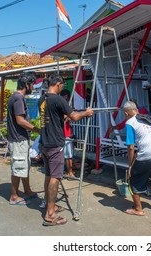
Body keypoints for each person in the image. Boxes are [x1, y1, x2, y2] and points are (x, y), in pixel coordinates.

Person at [38, 74, 93, 226]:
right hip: (55, 144)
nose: (62, 87)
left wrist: (63, 118)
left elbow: (52, 117)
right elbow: (75, 117)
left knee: (49, 175)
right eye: (62, 85)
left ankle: (49, 204)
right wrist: (86, 113)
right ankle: (50, 214)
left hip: (45, 142)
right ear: (57, 84)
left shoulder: (42, 99)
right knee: (55, 177)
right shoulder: (58, 99)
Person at [123, 100, 151, 216]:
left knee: (133, 180)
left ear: (126, 113)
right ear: (136, 110)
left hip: (148, 155)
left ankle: (138, 209)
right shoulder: (149, 118)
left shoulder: (130, 123)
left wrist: (130, 166)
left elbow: (131, 147)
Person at [7, 73, 40, 206]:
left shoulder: (17, 97)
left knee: (24, 165)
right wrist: (37, 129)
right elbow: (20, 120)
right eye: (32, 84)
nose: (33, 87)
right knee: (18, 166)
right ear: (27, 84)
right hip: (18, 139)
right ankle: (14, 196)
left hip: (20, 138)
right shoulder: (18, 98)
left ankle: (27, 190)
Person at [60, 89, 75, 178]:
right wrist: (68, 116)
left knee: (65, 155)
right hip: (65, 134)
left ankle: (66, 171)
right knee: (68, 155)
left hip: (65, 133)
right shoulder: (63, 106)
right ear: (66, 97)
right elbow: (64, 117)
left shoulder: (60, 105)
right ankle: (70, 172)